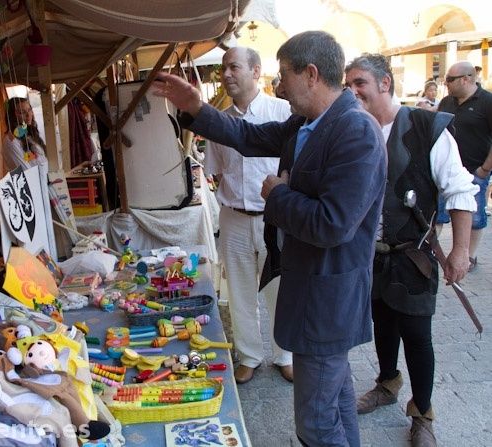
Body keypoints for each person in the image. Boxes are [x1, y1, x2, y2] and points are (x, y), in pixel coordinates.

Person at [154, 30, 387, 446]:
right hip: (311, 290)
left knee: (316, 423)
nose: (279, 85)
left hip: (328, 299)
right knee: (335, 403)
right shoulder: (307, 123)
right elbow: (248, 136)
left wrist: (278, 195)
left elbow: (333, 224)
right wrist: (196, 108)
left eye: (284, 75)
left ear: (311, 74)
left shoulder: (356, 132)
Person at [345, 54, 477, 447]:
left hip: (413, 255)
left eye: (359, 83)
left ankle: (422, 413)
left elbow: (459, 191)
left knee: (417, 334)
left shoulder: (425, 127)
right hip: (371, 256)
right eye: (348, 84)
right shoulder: (354, 128)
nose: (352, 91)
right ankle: (387, 383)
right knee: (382, 323)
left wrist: (460, 252)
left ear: (385, 83)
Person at [206, 47, 293, 384]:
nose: (227, 74)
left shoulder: (282, 112)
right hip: (234, 217)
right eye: (223, 68)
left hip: (274, 218)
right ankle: (249, 356)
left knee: (280, 289)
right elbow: (215, 171)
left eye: (234, 67)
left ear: (256, 71)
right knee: (239, 291)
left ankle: (285, 355)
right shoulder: (220, 122)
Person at [436, 61, 492, 271]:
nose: (446, 83)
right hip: (446, 169)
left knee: (474, 216)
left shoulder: (487, 102)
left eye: (450, 79)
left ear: (466, 79)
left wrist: (485, 169)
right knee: (438, 213)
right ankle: (432, 252)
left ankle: (470, 256)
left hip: (474, 170)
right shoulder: (446, 102)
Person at [2, 97, 48, 170]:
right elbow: (26, 171)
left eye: (29, 110)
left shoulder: (29, 134)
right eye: (22, 112)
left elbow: (40, 158)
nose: (28, 115)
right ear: (13, 117)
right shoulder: (10, 141)